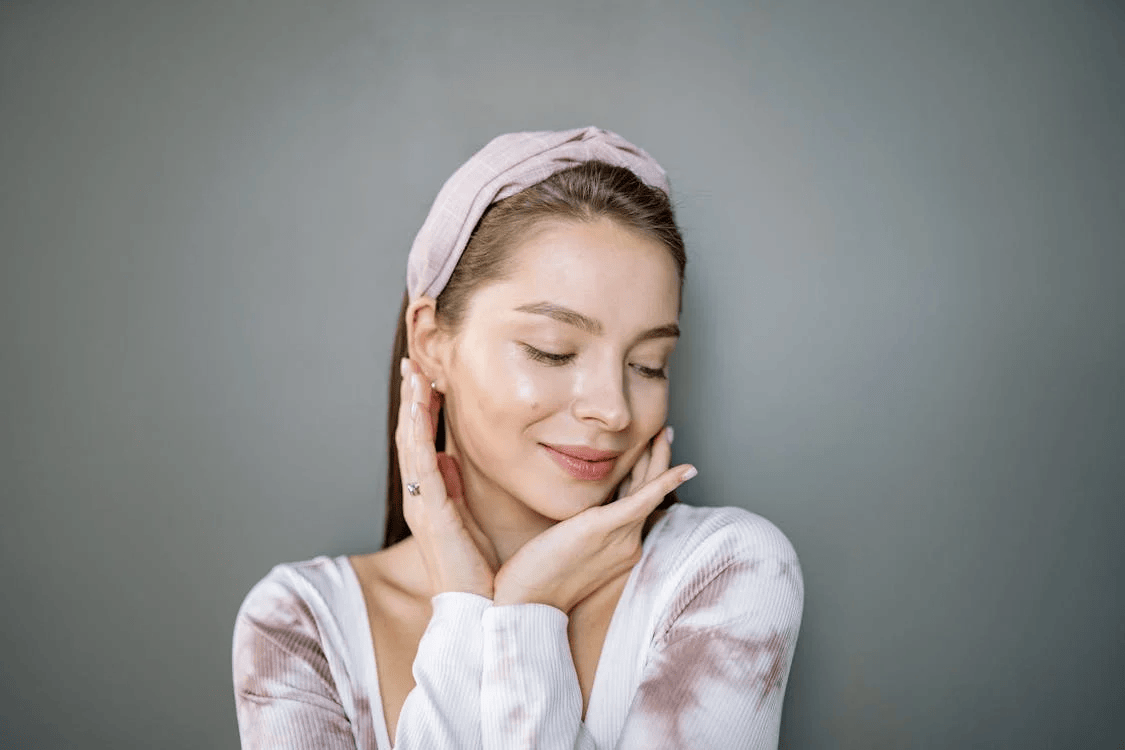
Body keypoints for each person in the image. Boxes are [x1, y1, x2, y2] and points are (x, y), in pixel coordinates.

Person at [232, 126, 804, 749]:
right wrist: (467, 607)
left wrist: (530, 609)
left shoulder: (724, 571)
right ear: (431, 342)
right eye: (552, 351)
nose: (613, 410)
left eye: (649, 364)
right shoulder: (299, 624)